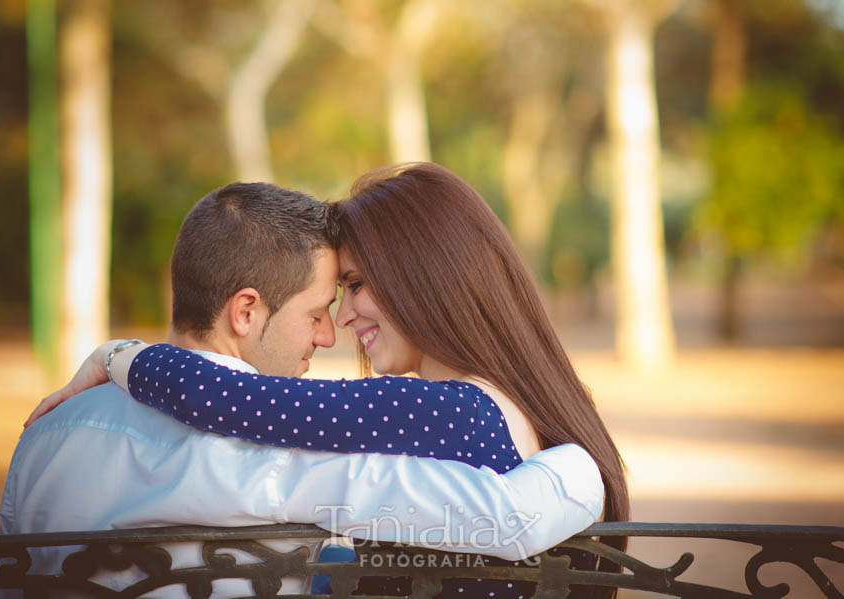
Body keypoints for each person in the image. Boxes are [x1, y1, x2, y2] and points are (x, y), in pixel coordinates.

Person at [37, 164, 629, 597]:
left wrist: (119, 355)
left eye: (356, 286)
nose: (342, 321)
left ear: (423, 276)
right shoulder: (508, 412)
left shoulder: (446, 412)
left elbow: (231, 400)